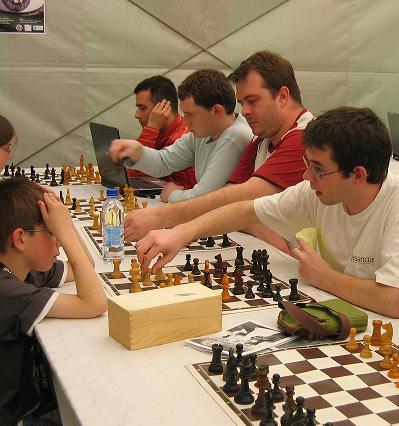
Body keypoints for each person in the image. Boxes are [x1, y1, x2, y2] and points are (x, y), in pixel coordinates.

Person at [136, 107, 399, 321]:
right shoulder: (318, 191)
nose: (307, 177)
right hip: (351, 312)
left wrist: (325, 277)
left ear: (358, 175)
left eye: (319, 168)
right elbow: (246, 210)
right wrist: (181, 233)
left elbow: (396, 300)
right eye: (307, 163)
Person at [123, 51, 314, 252]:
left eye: (253, 100)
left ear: (283, 96)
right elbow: (230, 202)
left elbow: (240, 197)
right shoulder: (261, 140)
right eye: (242, 103)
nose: (245, 111)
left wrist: (161, 216)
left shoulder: (305, 139)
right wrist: (253, 222)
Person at [0, 178, 107, 424]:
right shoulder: (7, 292)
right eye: (52, 232)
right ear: (20, 239)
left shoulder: (20, 266)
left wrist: (64, 223)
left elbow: (86, 265)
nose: (59, 242)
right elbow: (94, 304)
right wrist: (66, 233)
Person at [110, 69, 253, 203]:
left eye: (190, 114)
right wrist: (137, 153)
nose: (185, 121)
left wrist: (172, 195)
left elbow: (203, 198)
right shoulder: (205, 132)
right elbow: (164, 162)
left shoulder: (235, 137)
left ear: (216, 111)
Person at [130, 75, 196, 189]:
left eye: (142, 108)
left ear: (163, 108)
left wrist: (151, 130)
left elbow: (133, 177)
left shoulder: (180, 139)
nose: (137, 115)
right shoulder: (160, 133)